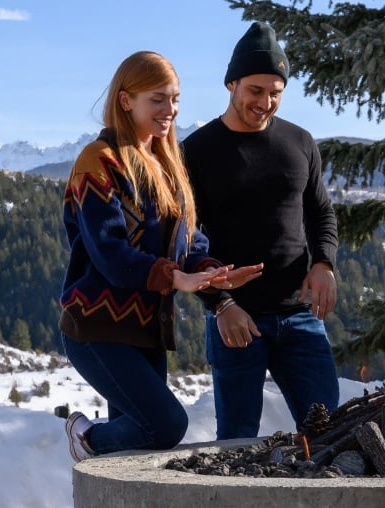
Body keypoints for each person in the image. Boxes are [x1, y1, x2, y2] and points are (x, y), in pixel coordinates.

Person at [58, 51, 262, 462]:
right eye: (158, 99)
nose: (170, 110)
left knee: (136, 448)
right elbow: (110, 252)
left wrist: (210, 272)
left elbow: (188, 240)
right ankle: (85, 437)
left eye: (176, 99)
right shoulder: (97, 162)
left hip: (147, 327)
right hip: (96, 325)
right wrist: (173, 279)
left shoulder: (168, 163)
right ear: (125, 100)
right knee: (165, 425)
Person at [180, 22, 340, 440]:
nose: (265, 102)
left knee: (331, 435)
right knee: (236, 441)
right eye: (255, 90)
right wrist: (220, 304)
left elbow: (321, 211)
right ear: (231, 84)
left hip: (300, 316)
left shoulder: (300, 142)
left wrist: (323, 262)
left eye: (275, 92)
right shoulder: (196, 151)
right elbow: (185, 241)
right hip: (236, 316)